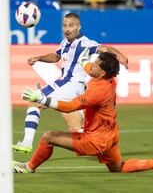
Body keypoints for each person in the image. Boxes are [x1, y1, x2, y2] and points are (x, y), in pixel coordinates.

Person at [13, 51, 153, 174]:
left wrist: (43, 99)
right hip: (111, 136)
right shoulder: (108, 77)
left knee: (48, 137)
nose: (91, 65)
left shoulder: (98, 91)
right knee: (118, 168)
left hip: (95, 140)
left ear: (101, 72)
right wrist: (83, 61)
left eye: (95, 64)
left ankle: (28, 167)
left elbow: (71, 106)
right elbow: (90, 69)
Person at [13, 13, 128, 154]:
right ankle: (101, 145)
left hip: (72, 85)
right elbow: (56, 56)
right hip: (66, 84)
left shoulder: (84, 42)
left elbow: (105, 48)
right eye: (65, 25)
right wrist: (39, 58)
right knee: (75, 127)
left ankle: (26, 142)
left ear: (79, 27)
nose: (67, 29)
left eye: (71, 25)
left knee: (35, 102)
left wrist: (120, 56)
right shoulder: (65, 43)